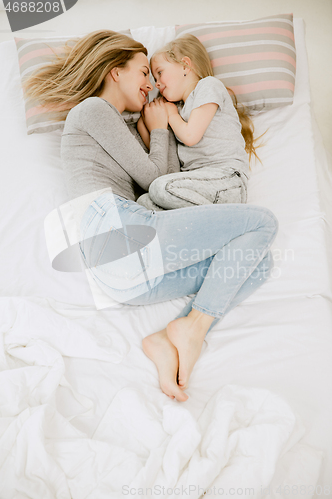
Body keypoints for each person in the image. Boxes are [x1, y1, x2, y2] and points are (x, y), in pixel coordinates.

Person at [23, 30, 278, 402]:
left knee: (257, 262)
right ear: (115, 72)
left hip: (124, 279)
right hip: (113, 229)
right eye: (144, 73)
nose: (150, 85)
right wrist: (159, 127)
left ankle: (172, 334)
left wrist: (159, 127)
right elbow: (155, 178)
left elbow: (169, 177)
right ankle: (193, 330)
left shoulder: (125, 124)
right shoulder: (93, 110)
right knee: (263, 222)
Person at [136, 34, 259, 211]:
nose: (157, 84)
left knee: (159, 187)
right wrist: (146, 118)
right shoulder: (178, 109)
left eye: (160, 73)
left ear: (185, 65)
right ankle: (207, 225)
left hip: (226, 180)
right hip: (195, 187)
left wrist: (170, 115)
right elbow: (166, 158)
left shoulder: (208, 86)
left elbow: (190, 136)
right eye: (155, 79)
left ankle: (228, 218)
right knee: (144, 203)